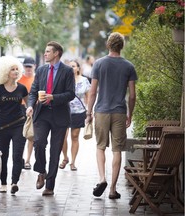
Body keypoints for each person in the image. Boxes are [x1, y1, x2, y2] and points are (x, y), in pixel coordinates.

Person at [86, 32, 137, 199]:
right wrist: (130, 113)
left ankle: (102, 179)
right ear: (122, 46)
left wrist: (89, 112)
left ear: (108, 45)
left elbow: (92, 92)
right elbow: (132, 95)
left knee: (100, 147)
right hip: (119, 112)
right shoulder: (128, 66)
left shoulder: (99, 64)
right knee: (117, 151)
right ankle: (113, 190)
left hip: (101, 111)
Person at [26, 41, 75, 196]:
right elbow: (33, 91)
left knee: (55, 151)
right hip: (42, 114)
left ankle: (50, 186)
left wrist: (53, 97)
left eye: (48, 51)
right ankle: (41, 170)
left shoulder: (67, 71)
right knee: (39, 143)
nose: (45, 54)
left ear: (56, 53)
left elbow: (70, 94)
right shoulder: (40, 70)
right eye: (45, 51)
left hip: (60, 115)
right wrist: (30, 105)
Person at [0, 55, 28, 195]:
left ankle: (14, 183)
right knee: (3, 156)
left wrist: (30, 112)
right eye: (13, 69)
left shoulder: (22, 89)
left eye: (17, 69)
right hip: (2, 127)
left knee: (17, 156)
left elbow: (29, 105)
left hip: (19, 125)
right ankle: (3, 183)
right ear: (5, 72)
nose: (16, 72)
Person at [59, 60, 90, 171]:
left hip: (79, 112)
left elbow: (88, 96)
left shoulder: (84, 80)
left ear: (78, 68)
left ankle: (73, 162)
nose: (71, 68)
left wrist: (89, 111)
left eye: (73, 66)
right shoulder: (63, 80)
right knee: (62, 136)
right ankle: (65, 158)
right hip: (64, 111)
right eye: (69, 66)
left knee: (75, 137)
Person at [18, 57, 36, 170]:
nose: (28, 69)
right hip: (20, 109)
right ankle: (20, 159)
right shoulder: (19, 79)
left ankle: (28, 160)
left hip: (33, 109)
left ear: (34, 66)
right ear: (23, 67)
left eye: (30, 66)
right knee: (20, 136)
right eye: (26, 66)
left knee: (30, 135)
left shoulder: (36, 79)